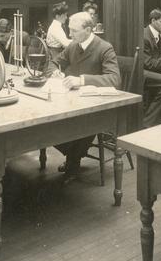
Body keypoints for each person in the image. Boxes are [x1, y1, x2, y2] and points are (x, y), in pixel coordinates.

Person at [50, 12, 121, 176]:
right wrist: (54, 72)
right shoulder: (73, 46)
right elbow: (53, 62)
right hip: (73, 101)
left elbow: (114, 79)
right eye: (69, 30)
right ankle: (73, 156)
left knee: (78, 124)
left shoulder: (104, 48)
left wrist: (82, 80)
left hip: (95, 106)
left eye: (74, 31)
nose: (70, 34)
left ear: (88, 30)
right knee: (49, 126)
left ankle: (73, 160)